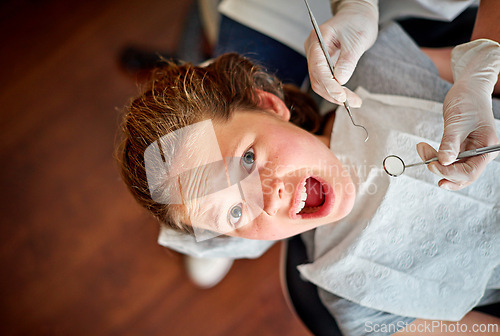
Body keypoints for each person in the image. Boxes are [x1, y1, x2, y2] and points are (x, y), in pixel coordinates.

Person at [117, 19, 500, 335]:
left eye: (247, 160)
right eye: (234, 214)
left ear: (268, 105)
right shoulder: (356, 303)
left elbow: (488, 62)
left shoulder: (379, 70)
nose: (266, 198)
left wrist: (480, 78)